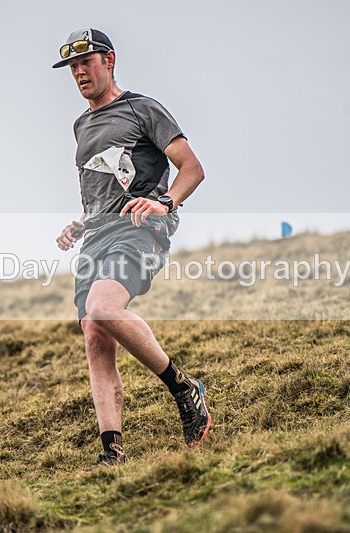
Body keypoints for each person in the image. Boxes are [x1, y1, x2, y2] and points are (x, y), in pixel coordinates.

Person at [53, 28, 210, 469]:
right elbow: (102, 188)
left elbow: (192, 168)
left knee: (103, 307)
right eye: (73, 66)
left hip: (140, 227)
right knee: (94, 334)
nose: (79, 72)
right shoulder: (81, 126)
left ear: (110, 60)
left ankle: (183, 388)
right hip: (97, 236)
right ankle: (112, 453)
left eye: (87, 62)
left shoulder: (142, 109)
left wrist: (164, 202)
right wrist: (80, 223)